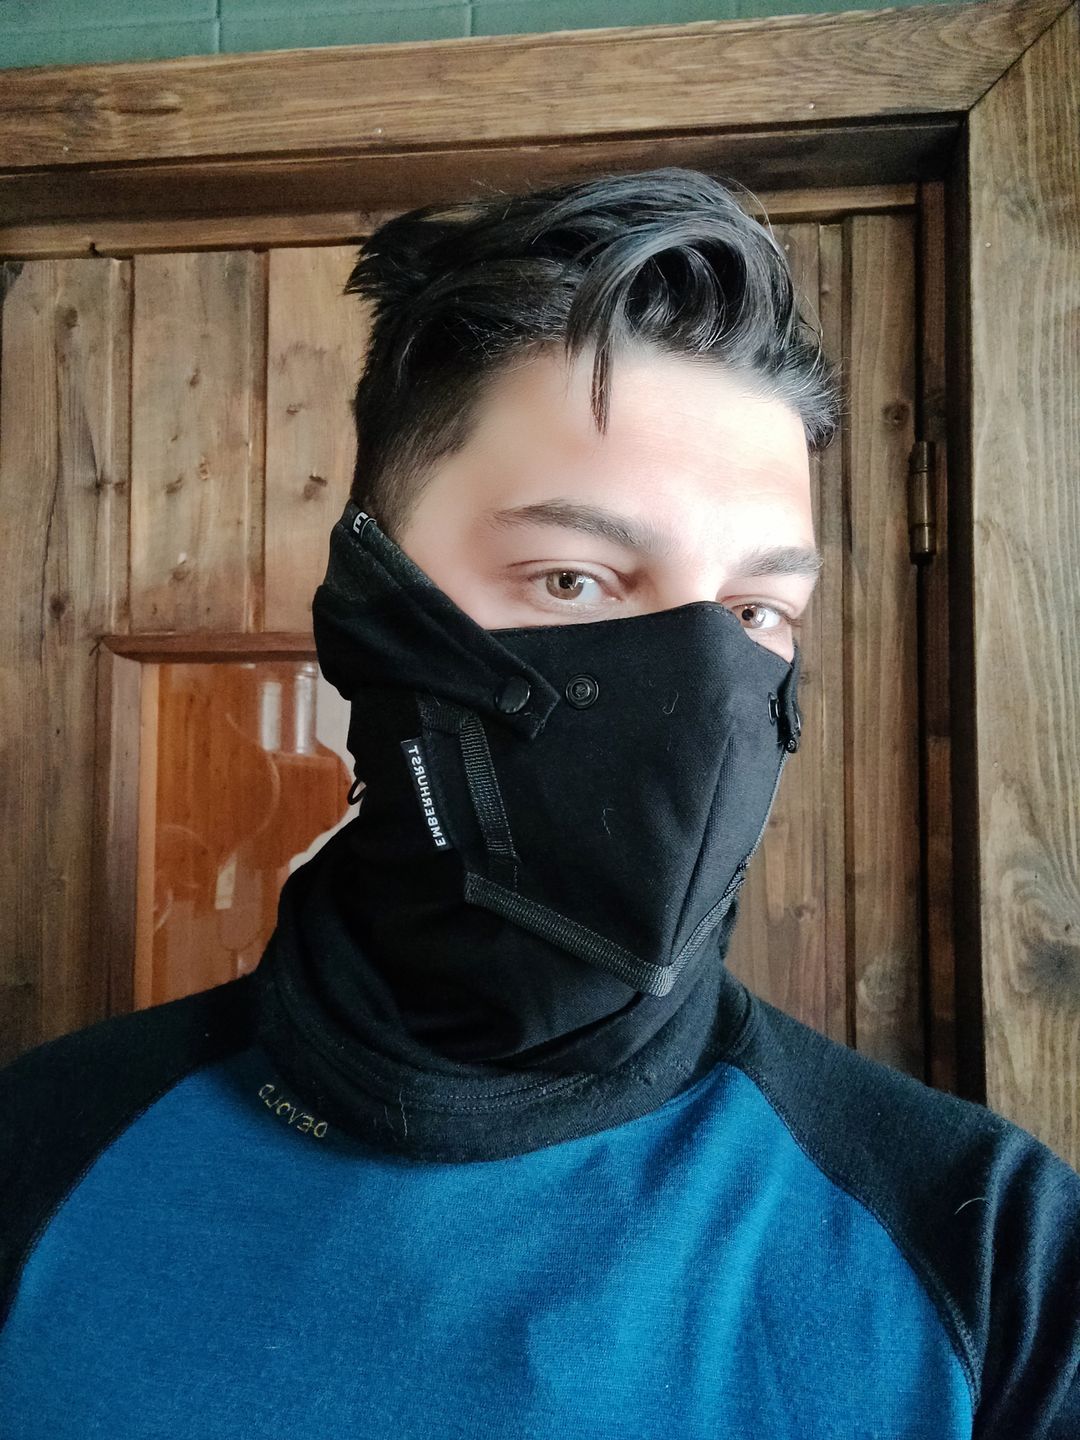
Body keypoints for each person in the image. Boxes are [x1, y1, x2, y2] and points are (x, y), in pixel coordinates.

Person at [1, 166, 1077, 1439]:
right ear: (371, 607)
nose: (701, 689)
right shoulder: (37, 1157)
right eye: (573, 579)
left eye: (755, 611)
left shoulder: (993, 1258)